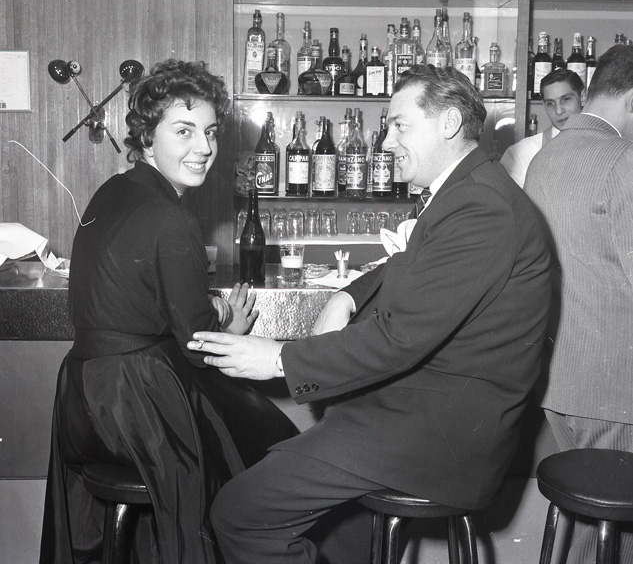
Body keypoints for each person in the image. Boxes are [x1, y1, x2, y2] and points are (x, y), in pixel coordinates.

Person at [189, 65, 553, 564]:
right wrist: (347, 296)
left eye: (400, 125)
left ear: (449, 123)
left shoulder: (480, 207)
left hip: (439, 436)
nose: (386, 142)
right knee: (327, 526)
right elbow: (409, 264)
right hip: (416, 412)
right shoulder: (464, 191)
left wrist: (277, 358)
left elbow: (399, 337)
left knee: (239, 512)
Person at [39, 59, 297, 564]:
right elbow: (198, 347)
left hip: (82, 399)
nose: (203, 147)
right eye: (184, 131)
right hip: (135, 407)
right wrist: (230, 324)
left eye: (210, 132)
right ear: (147, 137)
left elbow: (142, 301)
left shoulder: (113, 191)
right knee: (275, 446)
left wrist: (209, 312)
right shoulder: (169, 218)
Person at [524, 44, 633, 563]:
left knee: (594, 527)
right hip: (616, 385)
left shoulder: (546, 156)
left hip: (560, 378)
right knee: (620, 535)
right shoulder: (623, 160)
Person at [500, 69, 585, 187]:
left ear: (583, 97)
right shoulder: (520, 153)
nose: (558, 111)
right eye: (550, 103)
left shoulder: (604, 146)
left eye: (566, 99)